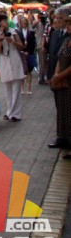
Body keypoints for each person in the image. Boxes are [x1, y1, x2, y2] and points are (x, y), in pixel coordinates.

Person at [0, 13, 25, 122]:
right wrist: (0, 39)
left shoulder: (13, 31)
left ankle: (16, 114)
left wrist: (13, 41)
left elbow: (22, 46)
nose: (6, 22)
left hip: (15, 59)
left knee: (16, 88)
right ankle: (9, 111)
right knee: (7, 89)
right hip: (5, 61)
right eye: (4, 20)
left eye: (6, 20)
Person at [48, 15, 71, 158]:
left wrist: (60, 76)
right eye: (67, 24)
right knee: (62, 109)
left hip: (68, 81)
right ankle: (63, 138)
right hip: (62, 81)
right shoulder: (67, 40)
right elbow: (59, 59)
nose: (67, 27)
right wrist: (56, 75)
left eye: (70, 25)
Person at [16, 14, 36, 95]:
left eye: (24, 22)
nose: (23, 23)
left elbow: (33, 43)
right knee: (22, 71)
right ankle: (22, 88)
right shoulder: (17, 32)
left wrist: (28, 51)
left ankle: (29, 88)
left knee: (29, 71)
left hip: (29, 52)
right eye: (22, 22)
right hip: (21, 53)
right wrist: (21, 51)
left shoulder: (31, 32)